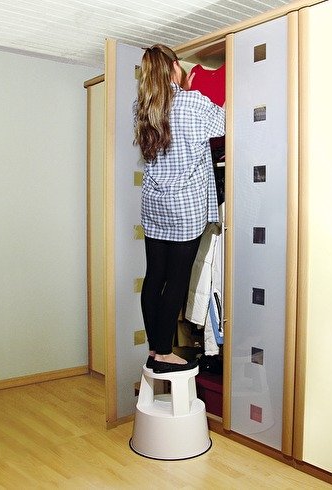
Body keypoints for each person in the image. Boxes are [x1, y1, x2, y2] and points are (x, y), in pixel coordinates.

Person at [134, 44, 225, 374]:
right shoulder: (192, 102)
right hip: (185, 208)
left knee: (154, 276)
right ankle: (163, 353)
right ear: (175, 66)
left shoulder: (143, 107)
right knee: (176, 279)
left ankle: (154, 349)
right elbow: (226, 124)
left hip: (155, 205)